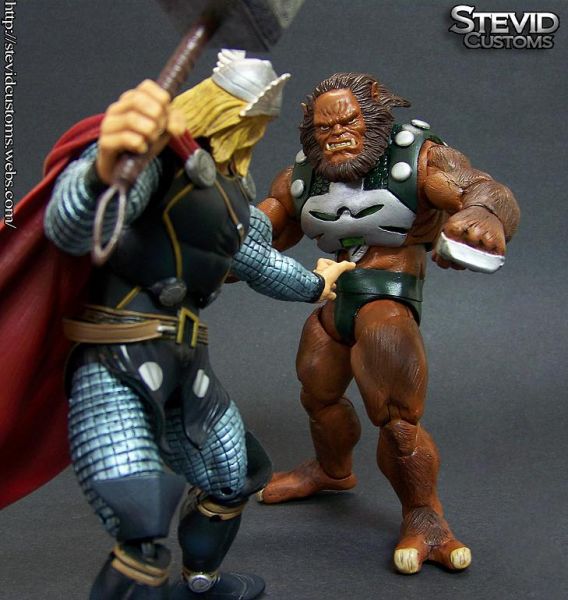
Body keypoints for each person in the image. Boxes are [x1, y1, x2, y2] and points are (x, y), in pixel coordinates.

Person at [40, 52, 354, 599]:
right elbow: (71, 228)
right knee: (138, 514)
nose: (254, 134)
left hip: (185, 363)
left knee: (233, 475)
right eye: (250, 122)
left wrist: (315, 284)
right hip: (117, 359)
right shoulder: (152, 162)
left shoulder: (230, 195)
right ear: (223, 113)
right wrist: (105, 167)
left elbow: (256, 262)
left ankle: (200, 584)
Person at [256, 72, 520, 575]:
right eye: (324, 127)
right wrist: (221, 248)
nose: (336, 134)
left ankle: (425, 514)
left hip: (387, 301)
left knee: (398, 419)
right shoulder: (304, 174)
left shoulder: (417, 158)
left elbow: (486, 189)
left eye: (348, 122)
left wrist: (485, 214)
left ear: (374, 115)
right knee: (318, 395)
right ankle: (333, 471)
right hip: (332, 303)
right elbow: (268, 226)